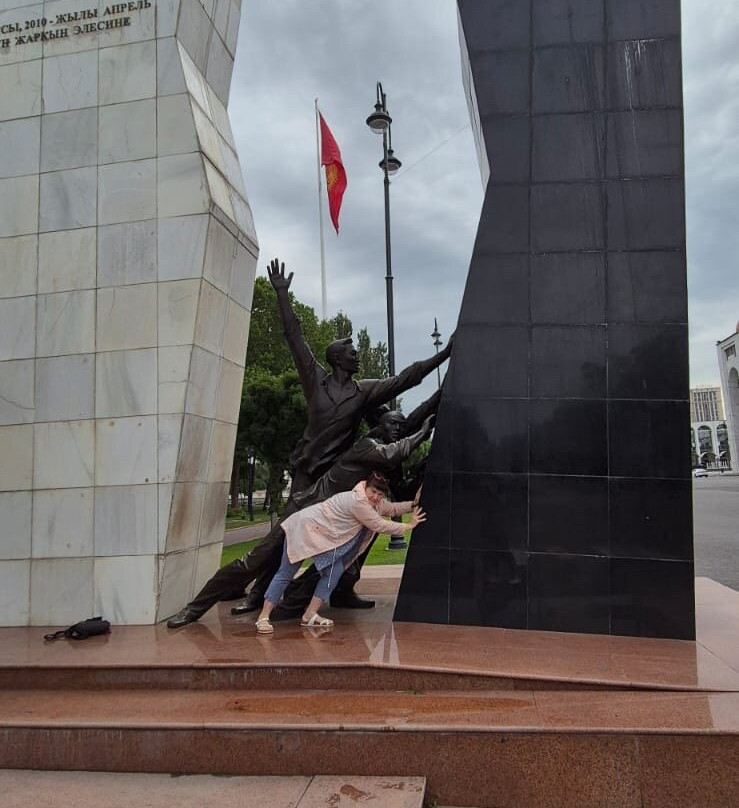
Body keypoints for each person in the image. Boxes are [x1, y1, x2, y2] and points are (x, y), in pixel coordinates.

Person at [165, 258, 451, 628]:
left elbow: (406, 379)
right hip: (308, 479)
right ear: (337, 358)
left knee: (352, 541)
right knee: (268, 549)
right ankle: (214, 603)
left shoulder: (362, 392)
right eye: (351, 351)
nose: (357, 354)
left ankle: (325, 594)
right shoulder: (315, 380)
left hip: (338, 482)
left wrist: (444, 354)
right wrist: (282, 295)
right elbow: (294, 336)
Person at [254, 471, 426, 633]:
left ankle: (310, 614)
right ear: (366, 487)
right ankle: (263, 617)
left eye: (380, 494)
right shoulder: (358, 501)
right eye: (373, 492)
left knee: (333, 573)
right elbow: (379, 525)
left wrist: (413, 504)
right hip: (304, 529)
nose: (375, 497)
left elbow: (392, 508)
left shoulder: (375, 503)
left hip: (324, 538)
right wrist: (408, 526)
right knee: (286, 572)